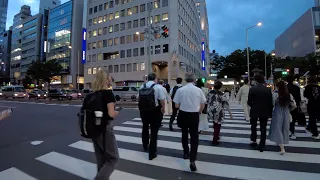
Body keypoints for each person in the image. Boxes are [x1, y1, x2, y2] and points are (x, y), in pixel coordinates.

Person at [173, 73, 206, 172]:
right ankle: (192, 159)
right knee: (194, 136)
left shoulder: (180, 90)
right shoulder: (198, 90)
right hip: (194, 114)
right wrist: (199, 111)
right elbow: (203, 103)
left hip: (183, 114)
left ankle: (185, 152)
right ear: (194, 80)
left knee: (184, 133)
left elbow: (176, 106)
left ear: (185, 80)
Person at [91, 70, 120, 180]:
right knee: (113, 159)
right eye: (110, 77)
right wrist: (117, 112)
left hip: (93, 129)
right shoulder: (108, 94)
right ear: (106, 80)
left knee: (101, 159)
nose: (111, 79)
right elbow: (111, 114)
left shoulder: (92, 94)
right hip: (105, 128)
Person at [139, 73, 166, 160]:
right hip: (155, 111)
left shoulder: (142, 86)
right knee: (154, 132)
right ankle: (152, 153)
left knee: (145, 127)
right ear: (155, 79)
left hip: (143, 111)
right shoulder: (158, 87)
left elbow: (138, 98)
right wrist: (163, 109)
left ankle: (145, 144)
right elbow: (162, 100)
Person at [247, 74, 273, 152]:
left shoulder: (252, 89)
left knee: (253, 126)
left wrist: (253, 105)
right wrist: (270, 112)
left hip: (254, 110)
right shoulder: (267, 90)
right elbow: (270, 103)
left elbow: (249, 101)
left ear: (256, 80)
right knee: (263, 127)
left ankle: (254, 140)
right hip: (264, 110)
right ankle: (262, 143)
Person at [269, 81, 296, 155]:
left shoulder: (275, 95)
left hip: (277, 113)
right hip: (286, 113)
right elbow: (294, 105)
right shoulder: (289, 95)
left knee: (278, 129)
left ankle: (282, 148)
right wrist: (288, 110)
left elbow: (272, 104)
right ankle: (281, 143)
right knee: (284, 129)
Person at [207, 81, 232, 145]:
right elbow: (226, 104)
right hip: (219, 111)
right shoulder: (221, 94)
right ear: (220, 87)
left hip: (211, 110)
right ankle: (215, 139)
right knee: (218, 125)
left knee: (215, 123)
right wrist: (230, 113)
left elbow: (206, 101)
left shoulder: (209, 93)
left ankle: (216, 136)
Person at [286, 75, 302, 139]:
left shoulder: (285, 87)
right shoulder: (297, 88)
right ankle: (292, 131)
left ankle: (287, 131)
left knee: (287, 119)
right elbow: (299, 98)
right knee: (293, 119)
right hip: (294, 105)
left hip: (286, 105)